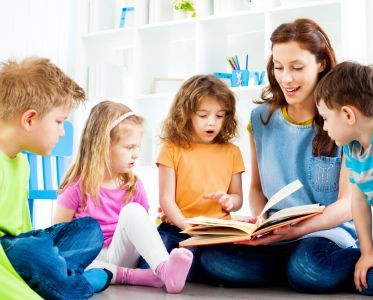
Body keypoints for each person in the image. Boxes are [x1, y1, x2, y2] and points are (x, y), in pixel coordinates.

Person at [199, 18, 360, 293]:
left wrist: (298, 230)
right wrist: (261, 220)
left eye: (297, 67)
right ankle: (294, 272)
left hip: (328, 232)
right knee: (214, 260)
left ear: (321, 63)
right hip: (277, 234)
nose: (286, 78)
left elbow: (348, 205)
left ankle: (305, 270)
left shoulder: (343, 119)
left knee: (308, 268)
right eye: (278, 66)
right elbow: (256, 189)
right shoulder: (260, 119)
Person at [0, 57, 112, 299]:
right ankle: (82, 284)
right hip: (10, 254)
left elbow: (25, 230)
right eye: (59, 121)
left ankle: (56, 278)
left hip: (20, 249)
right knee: (31, 251)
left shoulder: (21, 163)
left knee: (90, 230)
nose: (62, 132)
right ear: (29, 119)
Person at [53, 100, 193, 294]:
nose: (136, 154)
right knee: (66, 259)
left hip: (122, 253)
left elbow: (142, 230)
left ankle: (164, 268)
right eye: (129, 148)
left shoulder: (133, 185)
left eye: (137, 147)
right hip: (90, 259)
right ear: (102, 146)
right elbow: (56, 237)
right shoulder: (77, 186)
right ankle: (136, 277)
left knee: (133, 211)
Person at [315, 61, 373, 296]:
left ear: (348, 115)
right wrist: (367, 253)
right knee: (372, 284)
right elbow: (359, 202)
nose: (324, 128)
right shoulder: (351, 148)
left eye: (325, 118)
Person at [155, 74, 245, 280]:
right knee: (151, 260)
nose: (212, 123)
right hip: (177, 228)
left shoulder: (232, 152)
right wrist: (188, 227)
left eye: (220, 116)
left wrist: (229, 200)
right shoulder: (171, 149)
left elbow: (238, 198)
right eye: (203, 115)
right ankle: (192, 266)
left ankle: (194, 267)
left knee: (219, 262)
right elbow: (166, 199)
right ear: (185, 114)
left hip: (216, 233)